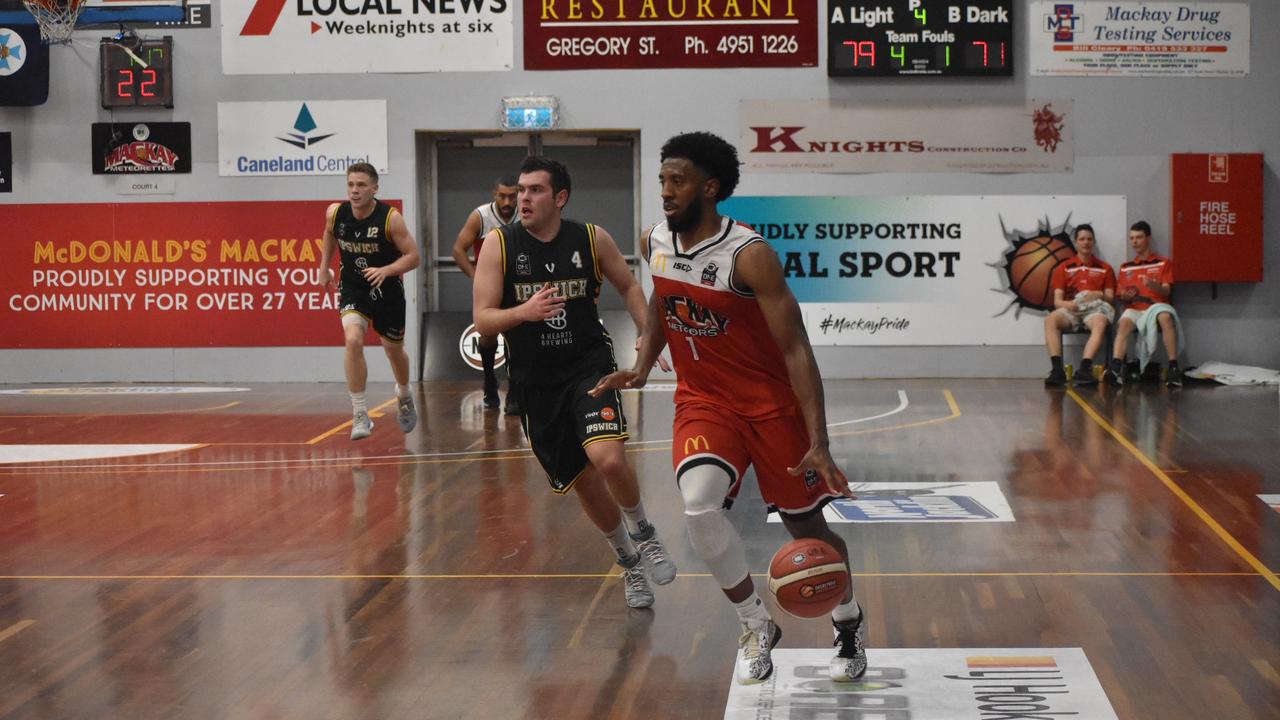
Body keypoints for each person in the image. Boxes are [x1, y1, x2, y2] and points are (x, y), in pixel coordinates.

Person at [591, 131, 866, 686]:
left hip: (770, 407)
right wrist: (643, 367)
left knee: (805, 526)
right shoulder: (655, 241)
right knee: (697, 504)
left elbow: (796, 348)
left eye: (678, 180)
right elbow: (665, 306)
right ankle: (755, 623)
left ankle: (848, 619)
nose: (666, 191)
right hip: (704, 400)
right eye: (662, 180)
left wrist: (820, 440)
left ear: (709, 188)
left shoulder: (750, 255)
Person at [472, 155, 677, 609]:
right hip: (534, 382)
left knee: (607, 460)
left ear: (560, 198)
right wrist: (522, 313)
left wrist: (648, 333)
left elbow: (629, 286)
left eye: (535, 190)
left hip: (588, 366)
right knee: (582, 479)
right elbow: (483, 320)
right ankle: (627, 562)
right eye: (521, 190)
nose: (523, 197)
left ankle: (645, 533)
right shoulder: (498, 246)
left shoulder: (591, 238)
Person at [318, 163, 420, 440]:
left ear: (375, 188)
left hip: (387, 290)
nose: (354, 190)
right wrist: (324, 266)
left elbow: (414, 256)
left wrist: (386, 270)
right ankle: (360, 412)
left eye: (361, 185)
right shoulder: (336, 212)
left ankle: (404, 392)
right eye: (351, 184)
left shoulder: (390, 219)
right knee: (353, 339)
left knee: (393, 350)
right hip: (354, 287)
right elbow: (329, 232)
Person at [452, 175, 522, 414]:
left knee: (516, 337)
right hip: (490, 286)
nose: (507, 201)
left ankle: (514, 390)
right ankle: (490, 381)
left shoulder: (525, 214)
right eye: (502, 196)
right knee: (488, 336)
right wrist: (476, 277)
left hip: (516, 284)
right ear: (495, 194)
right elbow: (458, 249)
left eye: (512, 196)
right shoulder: (481, 216)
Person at [1107, 221, 1184, 387]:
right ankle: (1115, 368)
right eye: (1132, 238)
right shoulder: (1125, 267)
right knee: (1124, 323)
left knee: (1166, 318)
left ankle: (1173, 369)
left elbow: (1166, 291)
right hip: (1134, 308)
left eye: (1139, 237)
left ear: (1148, 238)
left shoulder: (1163, 263)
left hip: (1157, 306)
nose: (1134, 242)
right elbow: (1120, 296)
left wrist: (1153, 285)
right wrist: (1126, 297)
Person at [1043, 224, 1116, 387]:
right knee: (1050, 320)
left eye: (1089, 239)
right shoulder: (1064, 267)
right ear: (1076, 242)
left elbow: (1110, 297)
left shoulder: (1106, 268)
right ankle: (1057, 370)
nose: (1086, 242)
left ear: (1094, 242)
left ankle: (1084, 369)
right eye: (1082, 239)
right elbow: (1057, 302)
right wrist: (1069, 305)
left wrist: (1099, 295)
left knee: (1100, 323)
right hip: (1072, 309)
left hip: (1095, 309)